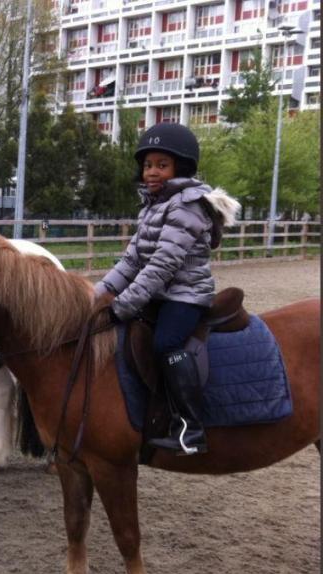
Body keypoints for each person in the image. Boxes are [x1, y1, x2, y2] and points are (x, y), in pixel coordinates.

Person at [93, 123, 240, 456]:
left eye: (162, 164)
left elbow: (162, 265)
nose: (152, 172)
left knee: (165, 343)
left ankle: (191, 428)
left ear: (181, 168)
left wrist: (123, 304)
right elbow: (131, 261)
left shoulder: (185, 206)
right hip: (161, 295)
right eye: (148, 165)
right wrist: (97, 295)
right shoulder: (154, 206)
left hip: (186, 295)